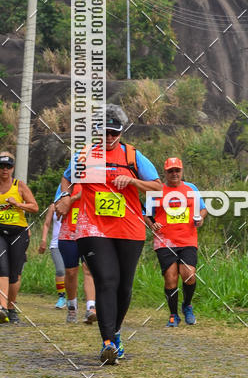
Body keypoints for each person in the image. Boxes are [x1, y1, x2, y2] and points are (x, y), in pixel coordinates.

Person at [55, 105, 161, 364]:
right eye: (105, 132)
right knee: (106, 280)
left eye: (114, 133)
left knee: (124, 287)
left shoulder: (133, 156)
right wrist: (66, 197)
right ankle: (107, 343)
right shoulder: (84, 155)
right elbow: (67, 179)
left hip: (130, 228)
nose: (110, 138)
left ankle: (115, 333)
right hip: (93, 227)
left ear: (121, 133)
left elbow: (157, 186)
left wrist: (134, 181)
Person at [146, 157, 206, 326]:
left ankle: (187, 305)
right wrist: (152, 224)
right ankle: (173, 314)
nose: (174, 174)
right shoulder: (157, 190)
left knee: (189, 275)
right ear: (165, 173)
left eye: (177, 170)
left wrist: (200, 218)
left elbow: (202, 208)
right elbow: (147, 214)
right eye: (170, 171)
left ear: (182, 171)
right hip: (164, 240)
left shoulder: (191, 188)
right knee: (171, 278)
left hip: (187, 239)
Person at [0, 151, 39, 324]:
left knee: (15, 273)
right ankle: (1, 308)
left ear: (13, 168)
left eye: (8, 166)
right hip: (0, 232)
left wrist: (17, 204)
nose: (4, 170)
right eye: (1, 167)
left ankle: (10, 308)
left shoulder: (19, 185)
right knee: (2, 268)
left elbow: (34, 207)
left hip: (18, 233)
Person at [53, 183, 97, 324]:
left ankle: (91, 308)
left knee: (89, 269)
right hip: (69, 234)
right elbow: (58, 208)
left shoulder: (96, 181)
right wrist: (74, 198)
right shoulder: (66, 185)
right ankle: (72, 306)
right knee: (71, 272)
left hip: (90, 232)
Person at [38, 201, 67, 308]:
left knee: (72, 272)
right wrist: (43, 240)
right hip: (56, 244)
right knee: (60, 270)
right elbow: (46, 224)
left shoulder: (75, 203)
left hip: (72, 241)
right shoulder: (53, 206)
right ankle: (62, 297)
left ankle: (74, 298)